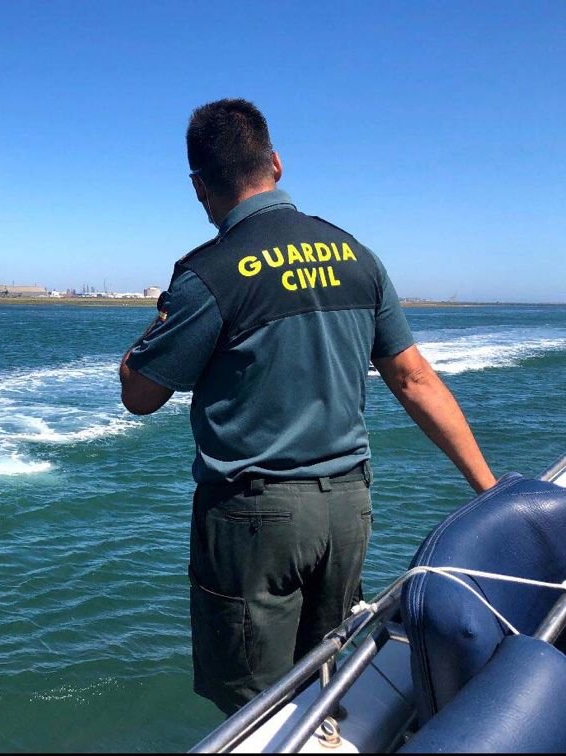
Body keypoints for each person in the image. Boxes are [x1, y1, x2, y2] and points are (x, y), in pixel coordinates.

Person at [118, 98, 496, 714]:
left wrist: (153, 331)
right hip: (348, 510)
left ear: (199, 188)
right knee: (325, 674)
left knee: (253, 706)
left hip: (255, 522)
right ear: (276, 163)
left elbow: (140, 395)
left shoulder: (209, 273)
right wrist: (487, 487)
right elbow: (414, 378)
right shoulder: (356, 255)